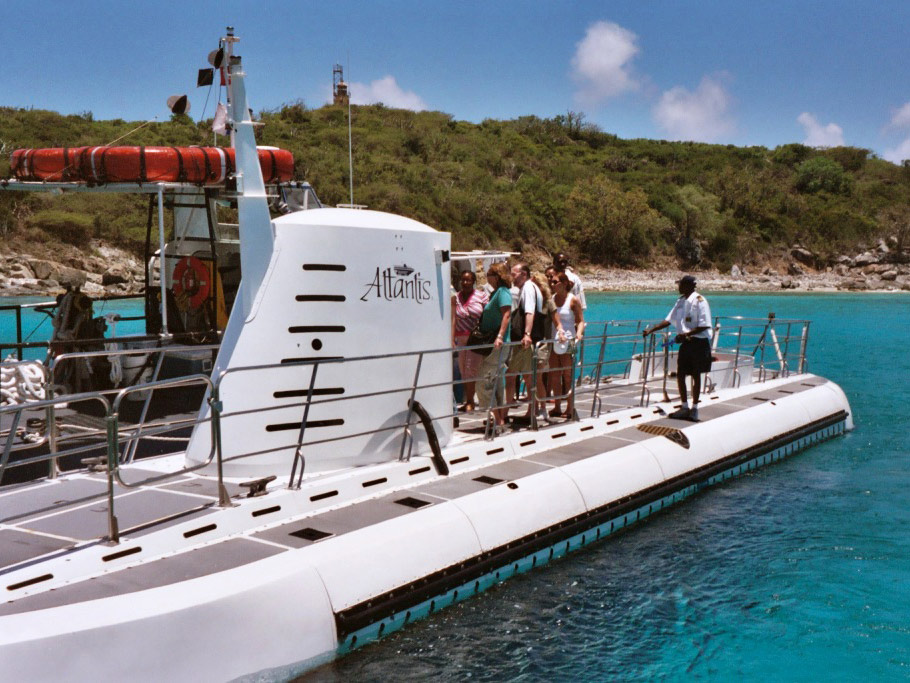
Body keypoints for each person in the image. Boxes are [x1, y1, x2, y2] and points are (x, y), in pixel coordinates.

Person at [643, 275, 713, 421]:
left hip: (699, 343)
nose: (678, 287)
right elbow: (669, 320)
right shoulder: (680, 301)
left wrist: (686, 334)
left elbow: (705, 325)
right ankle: (684, 406)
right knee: (681, 374)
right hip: (686, 342)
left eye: (680, 284)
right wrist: (652, 330)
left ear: (689, 286)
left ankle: (695, 408)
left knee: (696, 375)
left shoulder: (700, 301)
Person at [505, 263, 546, 425]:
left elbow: (529, 311)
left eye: (514, 274)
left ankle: (503, 413)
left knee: (511, 375)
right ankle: (532, 410)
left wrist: (527, 334)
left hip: (524, 340)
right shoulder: (532, 288)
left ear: (523, 274)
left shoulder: (528, 288)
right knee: (529, 377)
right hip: (531, 339)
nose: (512, 277)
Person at [475, 262, 512, 430]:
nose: (487, 277)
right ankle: (499, 419)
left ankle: (497, 419)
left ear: (497, 276)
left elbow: (506, 315)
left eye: (489, 274)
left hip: (498, 344)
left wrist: (500, 336)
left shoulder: (503, 293)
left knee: (483, 382)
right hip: (493, 344)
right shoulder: (496, 293)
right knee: (495, 381)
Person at [549, 272, 585, 419]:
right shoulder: (551, 299)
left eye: (555, 282)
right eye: (551, 282)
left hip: (569, 341)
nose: (552, 284)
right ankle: (557, 406)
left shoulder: (573, 300)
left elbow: (580, 320)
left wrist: (579, 334)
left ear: (564, 283)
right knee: (555, 375)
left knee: (568, 375)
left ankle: (570, 407)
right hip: (554, 340)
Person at [451, 269, 488, 411]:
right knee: (463, 369)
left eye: (468, 280)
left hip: (476, 337)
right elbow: (453, 319)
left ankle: (471, 401)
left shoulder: (481, 296)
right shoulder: (456, 297)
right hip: (461, 337)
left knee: (471, 368)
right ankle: (469, 400)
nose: (465, 282)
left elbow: (487, 315)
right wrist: (451, 339)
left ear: (473, 281)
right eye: (463, 280)